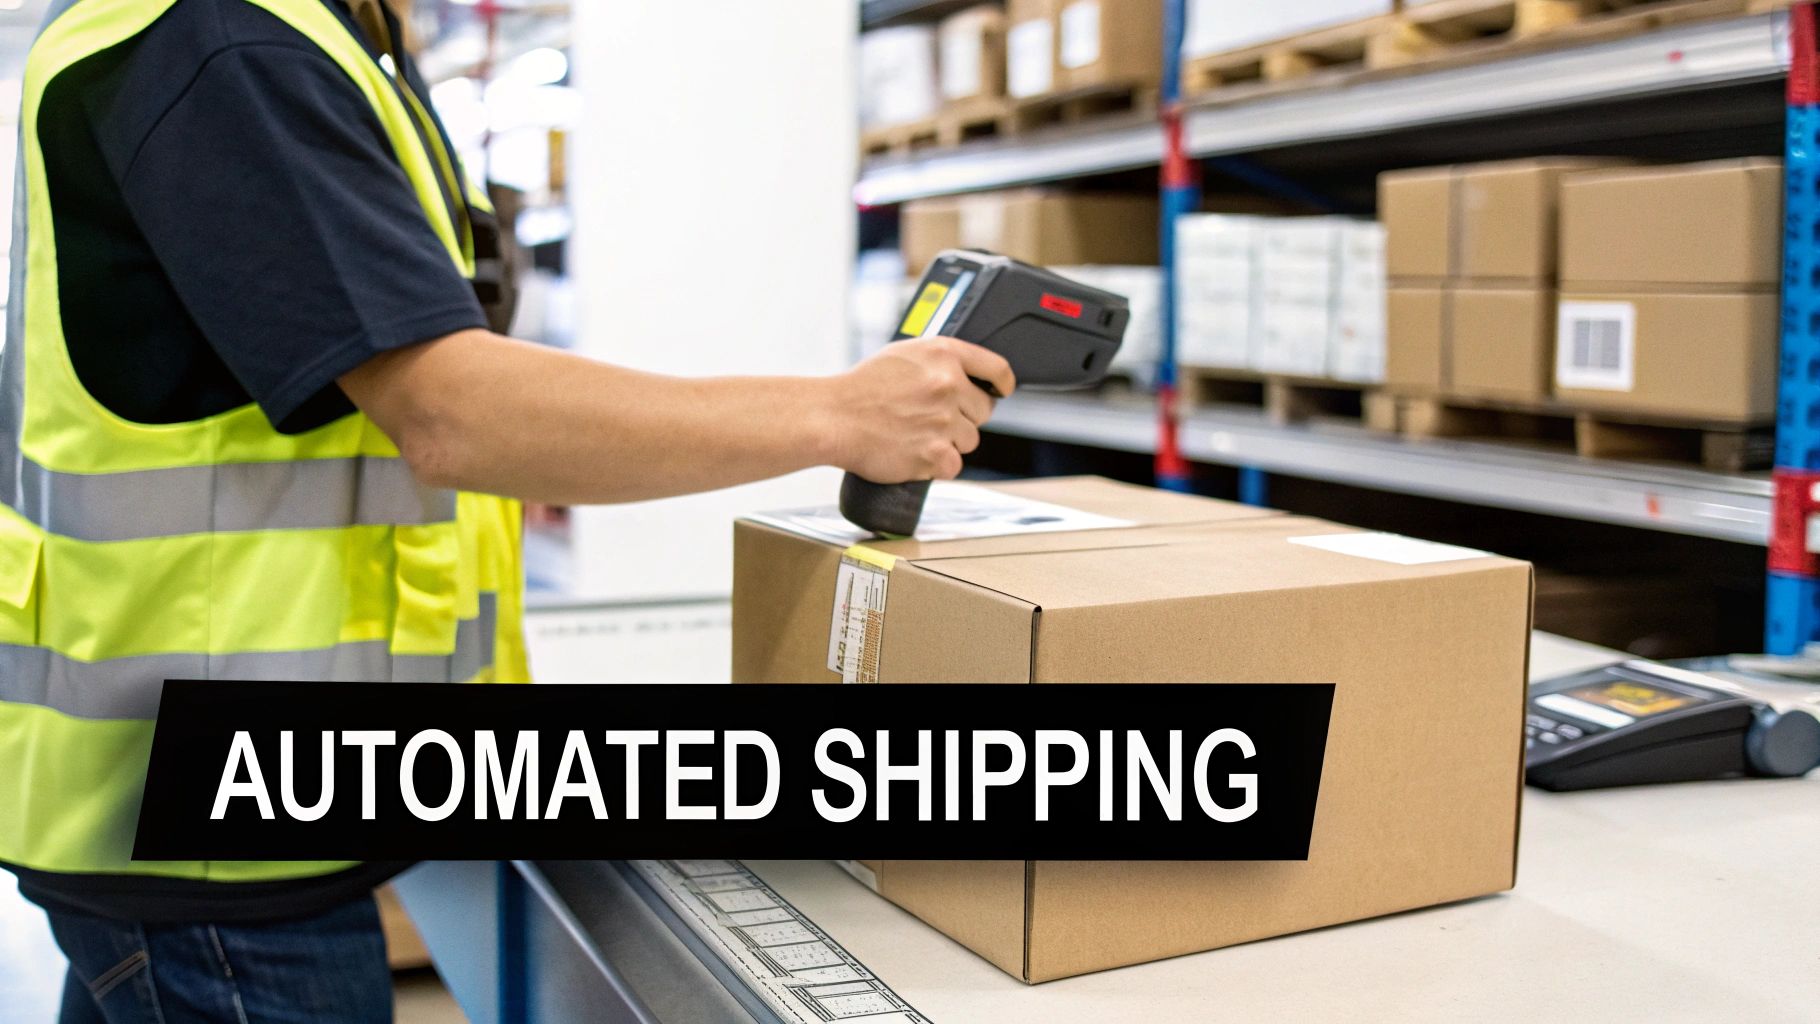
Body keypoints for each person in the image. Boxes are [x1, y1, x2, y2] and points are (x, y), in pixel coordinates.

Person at [0, 0, 1015, 1020]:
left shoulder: (311, 39)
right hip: (212, 823)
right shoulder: (223, 37)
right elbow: (449, 411)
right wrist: (841, 415)